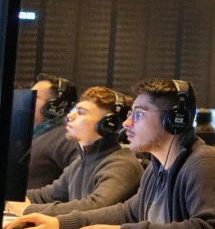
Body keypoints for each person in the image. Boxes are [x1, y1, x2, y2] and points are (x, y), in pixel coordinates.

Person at [6, 78, 215, 229]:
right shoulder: (157, 167)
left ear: (175, 120)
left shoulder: (204, 163)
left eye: (139, 114)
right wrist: (59, 223)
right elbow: (128, 212)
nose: (126, 123)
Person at [17, 87, 143, 216]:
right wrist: (11, 197)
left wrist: (28, 210)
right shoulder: (80, 161)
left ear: (108, 124)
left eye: (81, 112)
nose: (70, 115)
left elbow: (96, 206)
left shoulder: (122, 164)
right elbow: (45, 196)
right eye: (73, 110)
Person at [27, 73, 79, 190]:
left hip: (36, 201)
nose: (27, 100)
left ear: (53, 106)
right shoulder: (30, 132)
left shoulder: (67, 137)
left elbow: (76, 183)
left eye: (35, 96)